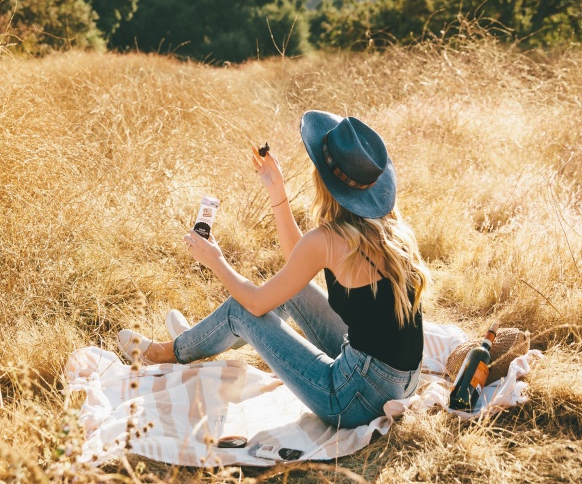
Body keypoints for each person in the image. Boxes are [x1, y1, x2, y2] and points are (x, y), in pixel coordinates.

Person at [118, 111, 429, 429]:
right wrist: (276, 189)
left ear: (321, 179)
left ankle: (167, 352)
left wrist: (216, 261)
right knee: (296, 291)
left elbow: (256, 303)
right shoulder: (388, 226)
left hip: (353, 399)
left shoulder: (330, 238)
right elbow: (299, 261)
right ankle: (203, 338)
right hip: (400, 382)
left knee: (241, 311)